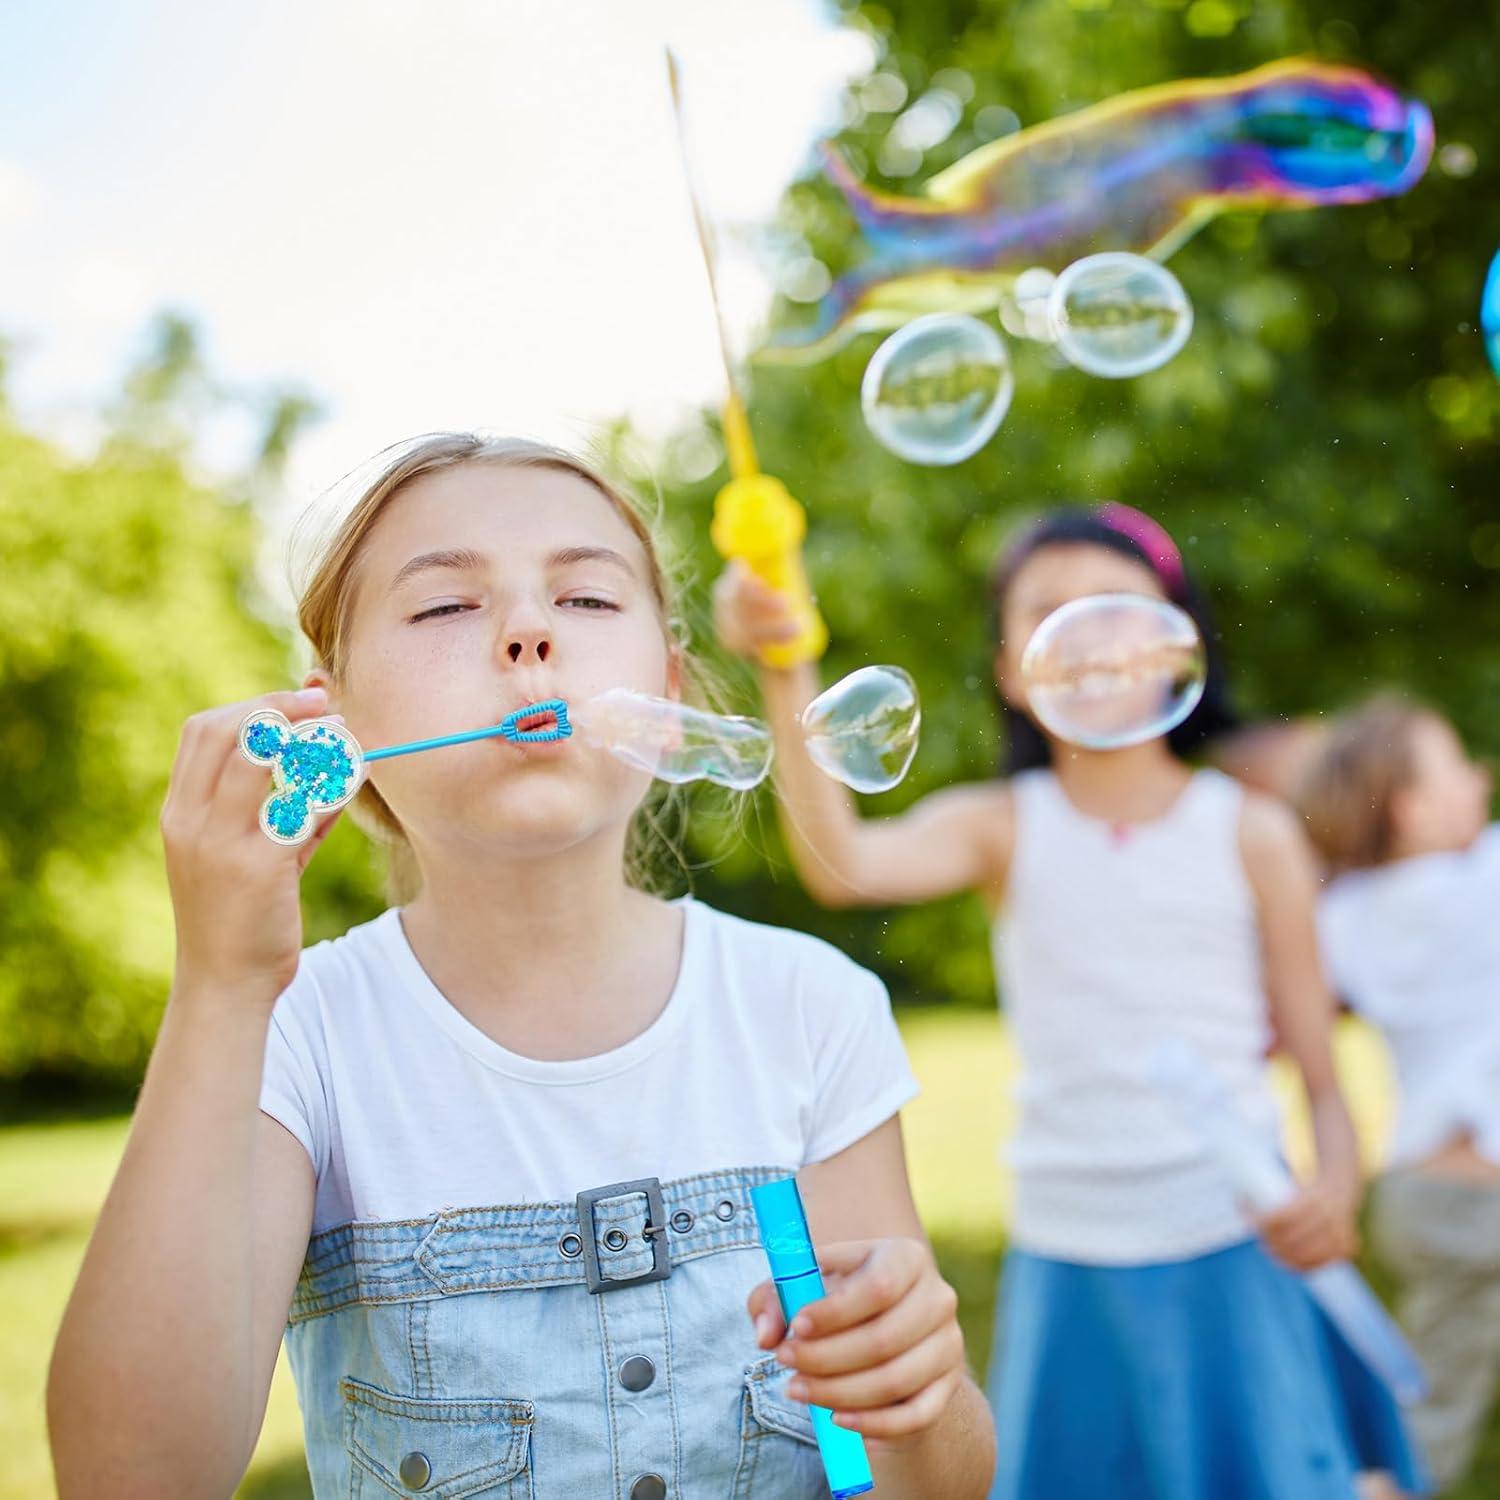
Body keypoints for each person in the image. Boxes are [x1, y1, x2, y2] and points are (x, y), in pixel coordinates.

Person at [48, 434, 996, 1498]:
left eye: (587, 601)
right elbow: (127, 1478)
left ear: (670, 688)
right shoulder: (296, 1031)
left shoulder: (809, 1009)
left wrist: (920, 1396)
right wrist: (220, 982)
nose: (530, 631)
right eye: (447, 606)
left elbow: (906, 1481)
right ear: (334, 720)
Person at [716, 501, 1425, 1498]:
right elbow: (845, 863)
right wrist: (783, 663)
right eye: (1052, 612)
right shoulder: (1007, 825)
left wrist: (1337, 1187)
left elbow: (1321, 1069)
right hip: (1071, 1246)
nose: (1088, 636)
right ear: (1014, 671)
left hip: (1232, 1232)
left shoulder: (1252, 831)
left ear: (1180, 646)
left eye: (1116, 609)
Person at [1298, 693, 1500, 1494]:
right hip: (1478, 1196)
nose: (1481, 779)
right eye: (1458, 768)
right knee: (1426, 1434)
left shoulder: (1342, 912)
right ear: (1414, 811)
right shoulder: (1485, 882)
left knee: (1430, 1398)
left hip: (1418, 1189)